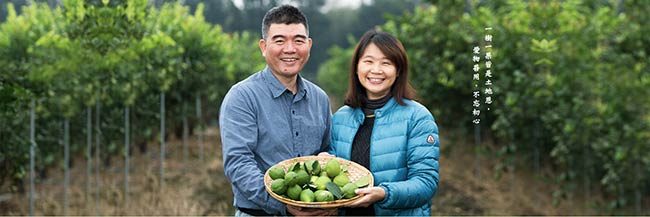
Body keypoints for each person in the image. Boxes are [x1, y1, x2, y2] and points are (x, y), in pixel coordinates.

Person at [219, 5, 335, 216]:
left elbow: (328, 149)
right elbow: (238, 162)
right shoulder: (242, 97)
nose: (290, 49)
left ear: (309, 45)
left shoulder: (320, 99)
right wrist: (282, 205)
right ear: (263, 46)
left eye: (298, 40)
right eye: (279, 40)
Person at [325, 30, 440, 215]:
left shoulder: (417, 117)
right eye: (368, 61)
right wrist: (325, 161)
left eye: (386, 63)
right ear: (356, 67)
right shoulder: (340, 118)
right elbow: (334, 171)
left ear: (398, 70)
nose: (376, 70)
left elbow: (426, 183)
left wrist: (385, 193)